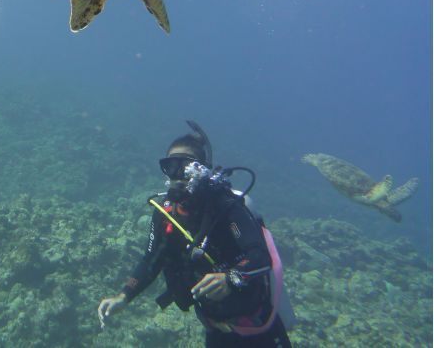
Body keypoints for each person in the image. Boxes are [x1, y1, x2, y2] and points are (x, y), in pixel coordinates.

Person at [97, 122, 293, 348]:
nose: (177, 175)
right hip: (215, 327)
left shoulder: (226, 207)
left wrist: (231, 278)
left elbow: (260, 255)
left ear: (202, 170)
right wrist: (124, 296)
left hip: (258, 328)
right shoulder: (166, 214)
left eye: (186, 166)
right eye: (170, 166)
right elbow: (151, 259)